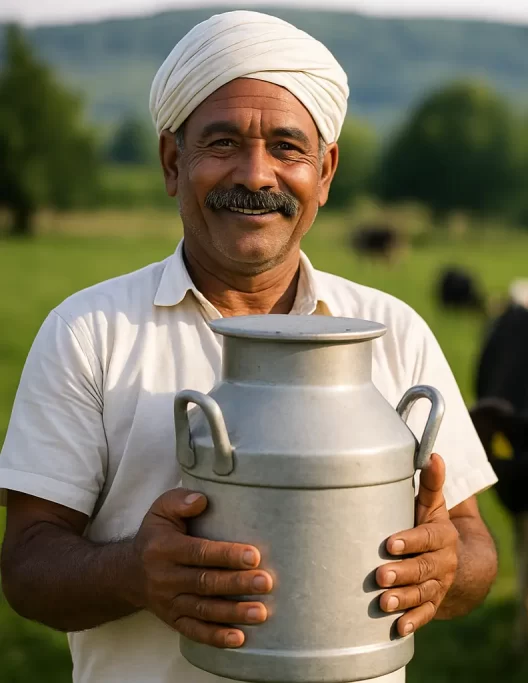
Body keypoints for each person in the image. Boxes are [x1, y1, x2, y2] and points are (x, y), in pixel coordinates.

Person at [0, 11, 498, 683]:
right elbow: (27, 565)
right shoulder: (90, 332)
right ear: (173, 163)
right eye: (224, 142)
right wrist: (136, 572)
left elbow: (473, 547)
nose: (257, 174)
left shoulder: (391, 329)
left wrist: (443, 566)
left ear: (325, 172)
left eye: (288, 148)